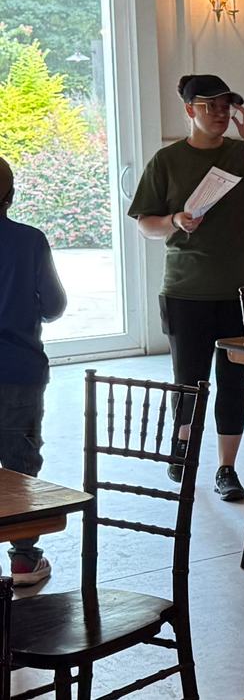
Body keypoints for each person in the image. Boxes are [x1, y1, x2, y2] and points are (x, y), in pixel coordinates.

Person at [128, 74, 244, 502]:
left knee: (234, 379)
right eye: (209, 106)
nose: (219, 114)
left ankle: (226, 468)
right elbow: (145, 224)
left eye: (225, 106)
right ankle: (184, 445)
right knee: (190, 379)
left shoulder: (242, 153)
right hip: (187, 287)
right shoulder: (167, 161)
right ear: (189, 111)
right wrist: (174, 221)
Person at [0, 157, 67, 586]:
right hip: (19, 370)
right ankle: (24, 559)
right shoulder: (29, 241)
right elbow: (55, 305)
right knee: (20, 463)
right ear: (10, 196)